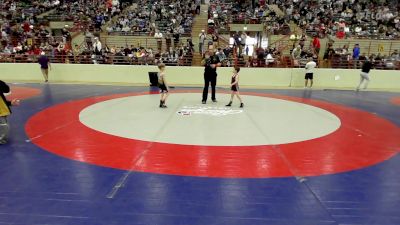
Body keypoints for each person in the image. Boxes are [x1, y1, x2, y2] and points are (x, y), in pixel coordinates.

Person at [0, 80, 20, 144]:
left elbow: (6, 90)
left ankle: (1, 139)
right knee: (4, 125)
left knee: (4, 125)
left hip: (1, 111)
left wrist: (11, 102)